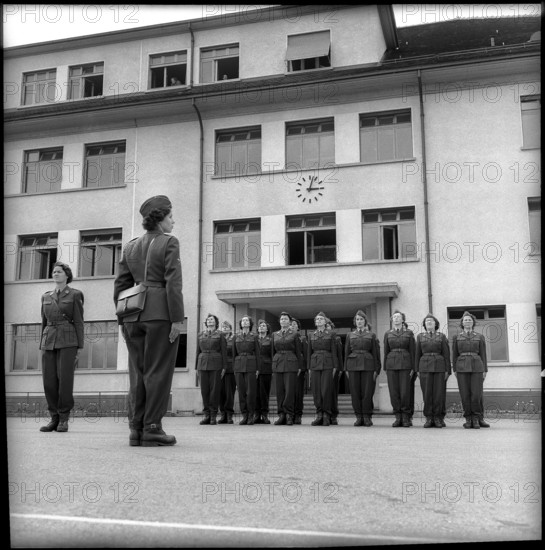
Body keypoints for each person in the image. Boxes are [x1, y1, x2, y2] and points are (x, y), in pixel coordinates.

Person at [114, 195, 184, 447]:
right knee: (158, 371)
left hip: (132, 314)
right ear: (160, 219)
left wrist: (121, 319)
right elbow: (173, 283)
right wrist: (177, 319)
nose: (173, 221)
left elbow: (121, 284)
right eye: (171, 217)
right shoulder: (169, 242)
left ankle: (136, 429)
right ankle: (152, 427)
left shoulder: (131, 246)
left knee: (138, 372)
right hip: (159, 314)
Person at [39, 262, 84, 433]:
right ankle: (54, 418)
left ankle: (64, 419)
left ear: (67, 275)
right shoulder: (46, 296)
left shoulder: (75, 294)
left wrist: (79, 346)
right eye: (54, 272)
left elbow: (79, 321)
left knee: (65, 380)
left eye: (59, 271)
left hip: (68, 340)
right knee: (49, 381)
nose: (55, 274)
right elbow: (43, 322)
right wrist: (41, 343)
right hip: (48, 340)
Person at [452, 311, 489, 429]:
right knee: (465, 394)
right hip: (461, 367)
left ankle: (477, 418)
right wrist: (455, 370)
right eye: (465, 320)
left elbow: (483, 354)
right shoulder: (456, 337)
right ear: (462, 323)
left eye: (469, 320)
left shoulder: (479, 336)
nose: (467, 321)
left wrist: (485, 370)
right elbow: (454, 355)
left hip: (477, 367)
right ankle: (468, 418)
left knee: (476, 394)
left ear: (473, 322)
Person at [344, 310, 381, 426]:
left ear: (365, 321)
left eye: (361, 319)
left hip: (368, 366)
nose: (359, 321)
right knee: (355, 392)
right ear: (355, 322)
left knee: (367, 392)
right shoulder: (350, 335)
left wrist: (377, 369)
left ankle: (367, 416)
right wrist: (345, 368)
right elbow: (346, 353)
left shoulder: (371, 335)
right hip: (353, 366)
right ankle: (359, 416)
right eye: (357, 319)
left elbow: (376, 354)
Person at [415, 314, 451, 428]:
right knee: (427, 393)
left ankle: (438, 417)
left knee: (439, 394)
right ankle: (429, 417)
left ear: (436, 324)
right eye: (427, 321)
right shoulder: (420, 337)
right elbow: (417, 354)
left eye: (431, 321)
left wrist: (447, 370)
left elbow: (446, 354)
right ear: (424, 325)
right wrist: (417, 370)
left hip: (439, 367)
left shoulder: (441, 336)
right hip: (424, 367)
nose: (429, 322)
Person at [384, 310, 416, 428]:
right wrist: (385, 367)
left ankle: (406, 416)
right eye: (394, 317)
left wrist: (413, 367)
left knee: (405, 392)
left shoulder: (409, 333)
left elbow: (413, 351)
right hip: (391, 365)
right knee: (394, 391)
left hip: (405, 364)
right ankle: (398, 416)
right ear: (392, 320)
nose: (396, 319)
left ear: (403, 320)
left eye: (398, 317)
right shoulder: (388, 333)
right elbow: (386, 351)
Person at [272, 312, 304, 425]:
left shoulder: (295, 334)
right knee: (280, 391)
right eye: (282, 319)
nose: (283, 321)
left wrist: (299, 366)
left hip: (291, 363)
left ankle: (289, 414)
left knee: (290, 390)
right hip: (278, 363)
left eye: (285, 319)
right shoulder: (275, 334)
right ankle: (281, 415)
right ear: (279, 321)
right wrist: (273, 364)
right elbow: (272, 351)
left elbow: (298, 352)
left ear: (289, 322)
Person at [308, 311, 339, 427]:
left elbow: (334, 351)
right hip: (315, 364)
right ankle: (319, 414)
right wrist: (309, 367)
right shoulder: (311, 334)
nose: (319, 321)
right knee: (316, 391)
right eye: (317, 319)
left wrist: (335, 366)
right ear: (315, 323)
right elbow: (309, 352)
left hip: (327, 364)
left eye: (321, 319)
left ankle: (326, 414)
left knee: (326, 390)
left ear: (325, 322)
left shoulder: (331, 334)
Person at [196, 314, 227, 425]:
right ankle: (206, 415)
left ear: (215, 322)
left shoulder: (220, 335)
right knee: (204, 390)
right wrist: (196, 367)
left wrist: (224, 367)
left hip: (216, 364)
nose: (210, 321)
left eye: (212, 319)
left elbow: (224, 352)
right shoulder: (201, 334)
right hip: (202, 363)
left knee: (214, 391)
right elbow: (197, 351)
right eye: (208, 319)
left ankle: (213, 414)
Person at [233, 315, 261, 425]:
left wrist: (258, 368)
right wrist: (234, 368)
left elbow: (258, 354)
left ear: (250, 323)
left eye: (247, 321)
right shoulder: (236, 336)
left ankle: (251, 415)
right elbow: (234, 354)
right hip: (239, 365)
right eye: (243, 321)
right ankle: (244, 415)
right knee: (241, 392)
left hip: (251, 365)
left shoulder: (254, 336)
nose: (245, 322)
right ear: (240, 324)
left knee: (251, 392)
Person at [256, 319, 273, 424]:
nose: (261, 327)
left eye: (264, 326)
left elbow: (272, 355)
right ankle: (256, 414)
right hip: (254, 369)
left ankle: (265, 414)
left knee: (264, 393)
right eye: (260, 326)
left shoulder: (270, 340)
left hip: (266, 368)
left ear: (267, 329)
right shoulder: (254, 339)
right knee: (255, 393)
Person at [218, 321, 236, 424]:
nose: (225, 328)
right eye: (223, 327)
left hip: (230, 368)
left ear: (230, 328)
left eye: (227, 327)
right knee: (221, 392)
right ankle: (222, 414)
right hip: (219, 368)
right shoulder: (219, 338)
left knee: (229, 393)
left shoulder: (234, 339)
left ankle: (229, 414)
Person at [326, 319, 343, 426]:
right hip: (323, 367)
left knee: (332, 393)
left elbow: (339, 355)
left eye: (328, 326)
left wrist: (340, 368)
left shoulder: (336, 339)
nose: (326, 328)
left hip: (334, 368)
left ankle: (333, 415)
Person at [291, 318, 308, 425]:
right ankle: (289, 413)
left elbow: (305, 354)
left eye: (294, 324)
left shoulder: (302, 338)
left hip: (298, 369)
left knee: (298, 393)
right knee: (289, 393)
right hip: (288, 367)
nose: (292, 326)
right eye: (290, 324)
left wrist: (303, 368)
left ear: (298, 327)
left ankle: (298, 414)